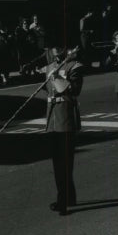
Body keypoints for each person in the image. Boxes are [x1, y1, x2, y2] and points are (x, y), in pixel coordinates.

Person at [43, 46, 83, 215]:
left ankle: (63, 201)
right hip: (52, 117)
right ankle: (69, 196)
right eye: (53, 48)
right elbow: (48, 89)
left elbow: (75, 90)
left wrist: (58, 78)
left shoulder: (75, 66)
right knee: (57, 162)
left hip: (65, 116)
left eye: (59, 47)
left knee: (65, 162)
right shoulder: (50, 67)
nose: (55, 51)